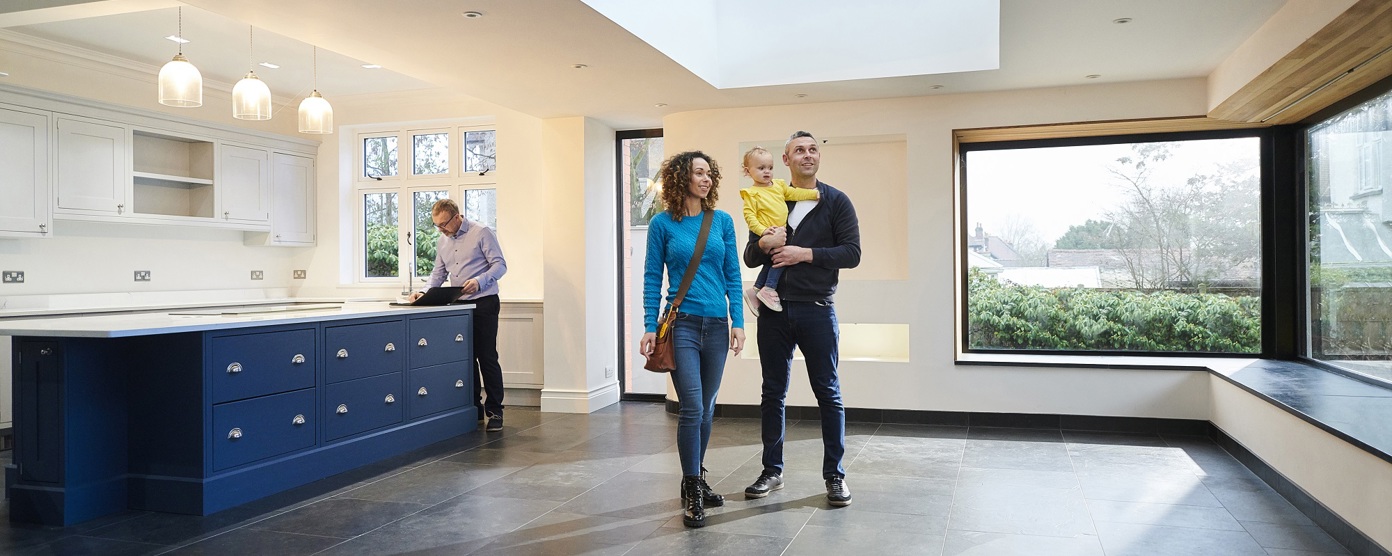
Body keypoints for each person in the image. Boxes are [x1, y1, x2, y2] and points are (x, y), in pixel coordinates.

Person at [742, 131, 860, 507]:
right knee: (772, 393)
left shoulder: (836, 201)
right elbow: (749, 255)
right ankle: (771, 471)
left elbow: (851, 253)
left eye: (813, 150)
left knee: (828, 393)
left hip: (817, 310)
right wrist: (764, 244)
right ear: (786, 159)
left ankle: (835, 476)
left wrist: (802, 253)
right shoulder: (768, 195)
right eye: (799, 150)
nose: (807, 155)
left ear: (818, 158)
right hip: (773, 312)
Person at [640, 151, 746, 528]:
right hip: (682, 324)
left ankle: (695, 479)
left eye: (709, 174)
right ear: (681, 178)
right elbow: (653, 277)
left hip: (717, 325)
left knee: (707, 406)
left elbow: (733, 274)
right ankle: (692, 488)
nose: (706, 180)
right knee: (692, 407)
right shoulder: (662, 224)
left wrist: (737, 321)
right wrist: (650, 325)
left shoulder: (722, 222)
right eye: (698, 173)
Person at [410, 198, 508, 432]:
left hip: (484, 302)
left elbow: (500, 265)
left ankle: (495, 411)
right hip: (459, 307)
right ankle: (472, 408)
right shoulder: (442, 241)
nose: (441, 229)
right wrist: (423, 293)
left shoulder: (481, 232)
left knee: (486, 357)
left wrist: (479, 281)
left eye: (444, 224)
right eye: (437, 226)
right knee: (466, 359)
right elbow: (438, 274)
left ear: (457, 217)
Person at [738, 146, 820, 316]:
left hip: (781, 231)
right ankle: (768, 288)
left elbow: (794, 194)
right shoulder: (751, 194)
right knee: (780, 259)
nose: (767, 172)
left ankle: (756, 289)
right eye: (761, 168)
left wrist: (813, 194)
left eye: (770, 168)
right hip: (769, 232)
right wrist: (763, 231)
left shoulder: (779, 186)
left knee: (772, 261)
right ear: (748, 171)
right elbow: (750, 217)